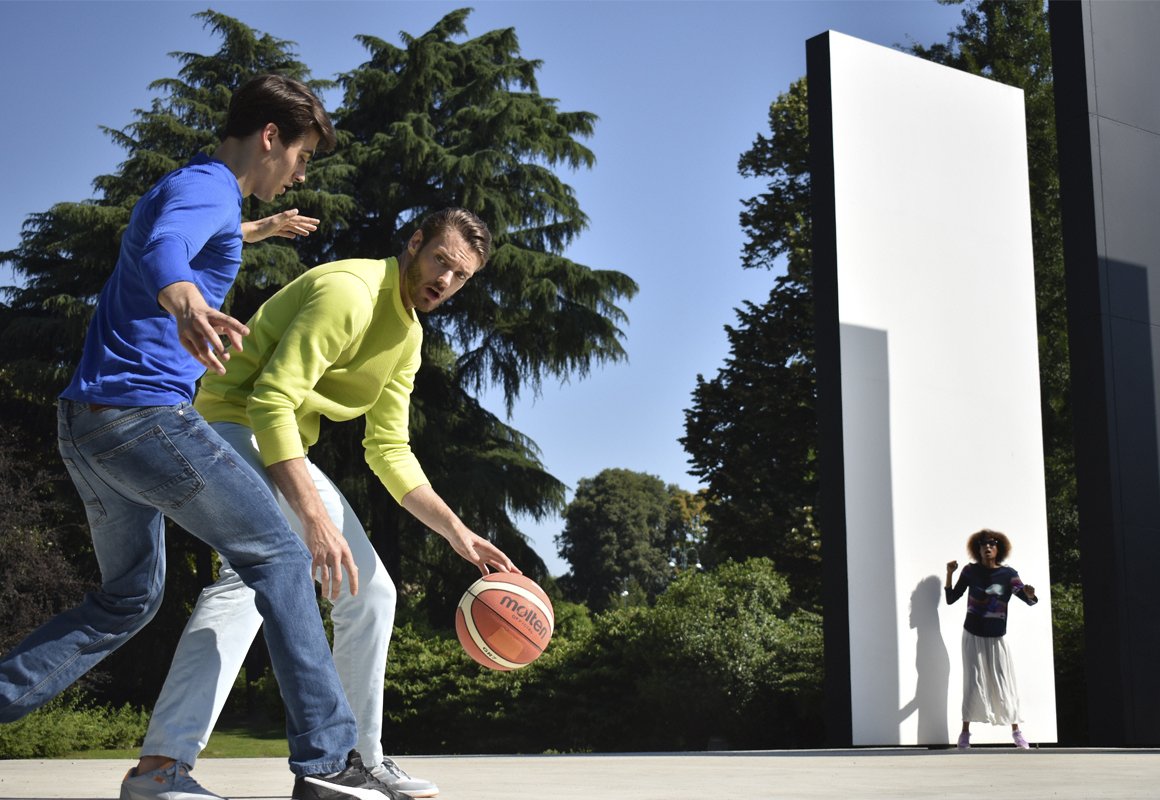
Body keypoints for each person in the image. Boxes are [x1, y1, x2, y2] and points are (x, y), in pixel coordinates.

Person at [0, 74, 412, 800]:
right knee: (280, 554)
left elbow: (169, 233)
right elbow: (167, 248)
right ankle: (328, 762)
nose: (300, 174)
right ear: (270, 138)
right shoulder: (210, 189)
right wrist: (187, 302)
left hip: (87, 425)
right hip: (143, 417)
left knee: (130, 597)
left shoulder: (193, 188)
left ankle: (91, 740)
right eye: (302, 157)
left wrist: (255, 232)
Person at [131, 207, 519, 799]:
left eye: (460, 275)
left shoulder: (408, 335)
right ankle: (163, 767)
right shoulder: (351, 292)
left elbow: (388, 448)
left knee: (368, 591)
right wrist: (313, 518)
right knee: (250, 583)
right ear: (414, 243)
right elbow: (270, 400)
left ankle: (355, 762)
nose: (444, 280)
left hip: (271, 438)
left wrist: (455, 532)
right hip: (225, 428)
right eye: (440, 260)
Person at [944, 528, 1038, 750]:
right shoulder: (970, 571)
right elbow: (951, 598)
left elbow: (1028, 599)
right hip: (972, 633)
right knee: (972, 682)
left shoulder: (1008, 574)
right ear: (977, 549)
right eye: (983, 544)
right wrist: (949, 573)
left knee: (1005, 682)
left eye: (992, 544)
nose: (987, 547)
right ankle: (965, 733)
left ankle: (1017, 733)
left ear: (999, 549)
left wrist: (1030, 594)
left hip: (996, 637)